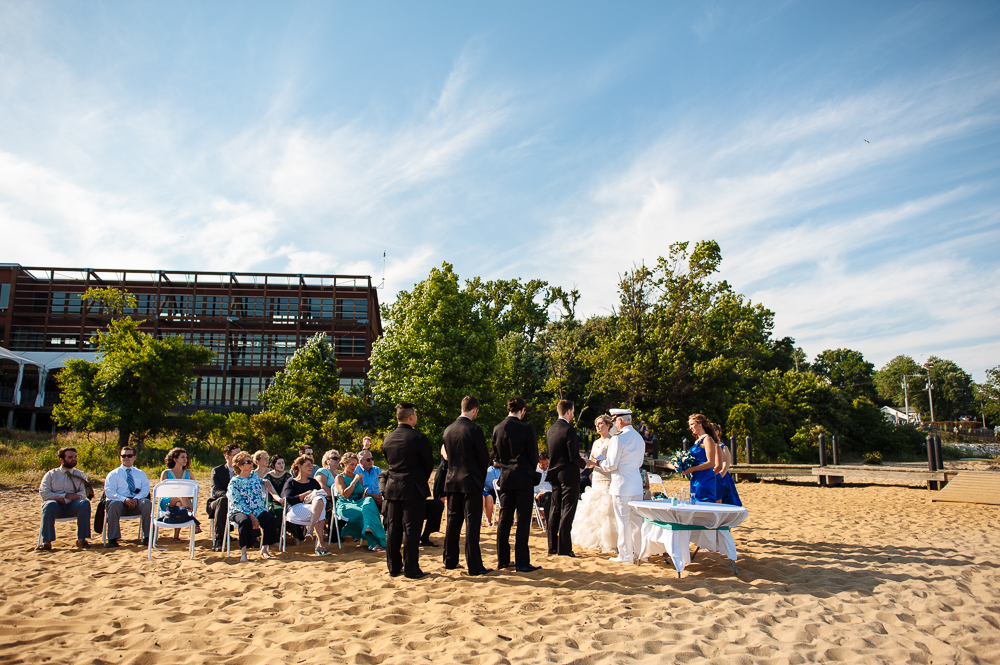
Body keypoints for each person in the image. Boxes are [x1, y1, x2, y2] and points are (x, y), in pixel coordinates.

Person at [382, 402, 434, 579]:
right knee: (412, 529)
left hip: (392, 488)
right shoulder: (418, 438)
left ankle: (394, 566)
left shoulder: (387, 438)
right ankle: (411, 568)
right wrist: (419, 479)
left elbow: (389, 462)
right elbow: (428, 464)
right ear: (411, 417)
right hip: (412, 488)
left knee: (393, 528)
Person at [441, 395, 492, 576]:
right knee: (472, 523)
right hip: (471, 481)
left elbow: (446, 456)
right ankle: (474, 565)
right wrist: (480, 478)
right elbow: (483, 458)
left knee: (453, 522)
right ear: (475, 410)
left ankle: (450, 559)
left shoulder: (448, 430)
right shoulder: (474, 430)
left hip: (452, 480)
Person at [492, 397, 541, 573]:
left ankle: (503, 559)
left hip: (505, 477)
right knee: (523, 519)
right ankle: (521, 561)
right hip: (523, 478)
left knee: (504, 519)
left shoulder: (497, 428)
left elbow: (496, 455)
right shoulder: (526, 429)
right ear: (522, 410)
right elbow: (534, 456)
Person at [599, 409, 645, 564]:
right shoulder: (639, 437)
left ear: (619, 421)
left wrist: (600, 463)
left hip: (621, 485)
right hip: (636, 484)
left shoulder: (619, 438)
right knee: (637, 521)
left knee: (623, 521)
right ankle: (640, 552)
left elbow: (611, 464)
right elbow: (639, 463)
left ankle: (625, 555)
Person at [546, 399, 587, 558]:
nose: (573, 414)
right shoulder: (570, 430)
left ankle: (552, 546)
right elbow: (574, 457)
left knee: (555, 510)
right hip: (569, 475)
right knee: (567, 510)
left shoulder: (551, 430)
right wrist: (585, 463)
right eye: (573, 411)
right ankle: (564, 548)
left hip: (555, 474)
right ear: (569, 411)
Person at [571, 415, 618, 554]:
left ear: (608, 425)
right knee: (594, 509)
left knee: (607, 509)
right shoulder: (596, 442)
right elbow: (591, 462)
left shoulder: (613, 441)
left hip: (607, 477)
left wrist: (595, 463)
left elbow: (612, 463)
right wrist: (585, 462)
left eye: (601, 423)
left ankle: (610, 541)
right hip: (596, 477)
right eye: (597, 424)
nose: (598, 426)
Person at [227, 452, 281, 562]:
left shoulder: (254, 476)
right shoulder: (234, 482)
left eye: (251, 461)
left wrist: (265, 481)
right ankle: (243, 552)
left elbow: (260, 481)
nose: (251, 463)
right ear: (240, 466)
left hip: (257, 509)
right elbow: (237, 502)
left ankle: (264, 548)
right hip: (239, 511)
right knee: (245, 521)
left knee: (270, 519)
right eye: (248, 462)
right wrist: (251, 516)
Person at [38, 447, 92, 550]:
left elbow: (84, 493)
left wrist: (67, 500)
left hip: (73, 506)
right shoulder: (51, 475)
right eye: (70, 457)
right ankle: (47, 543)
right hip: (55, 506)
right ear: (61, 460)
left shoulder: (80, 474)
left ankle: (82, 540)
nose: (74, 459)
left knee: (84, 503)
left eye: (75, 457)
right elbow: (45, 494)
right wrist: (64, 496)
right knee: (49, 505)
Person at [334, 452, 387, 551]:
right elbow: (345, 494)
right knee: (367, 512)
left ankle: (368, 527)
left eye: (355, 464)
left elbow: (362, 494)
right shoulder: (339, 477)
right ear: (345, 464)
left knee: (369, 500)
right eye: (351, 464)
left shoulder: (359, 477)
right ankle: (375, 542)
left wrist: (365, 495)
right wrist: (354, 481)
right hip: (345, 505)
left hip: (358, 503)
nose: (354, 467)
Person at [280, 455, 331, 555]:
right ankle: (319, 545)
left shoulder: (313, 482)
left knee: (320, 499)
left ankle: (311, 532)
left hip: (313, 508)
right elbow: (289, 500)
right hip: (295, 509)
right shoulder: (291, 482)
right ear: (299, 467)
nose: (311, 467)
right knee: (320, 510)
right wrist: (306, 494)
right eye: (308, 465)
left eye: (311, 465)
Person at [103, 446, 152, 548]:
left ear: (134, 457)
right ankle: (112, 539)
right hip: (119, 503)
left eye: (129, 456)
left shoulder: (140, 473)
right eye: (123, 456)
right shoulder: (113, 474)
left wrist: (136, 499)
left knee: (146, 503)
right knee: (114, 504)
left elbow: (145, 489)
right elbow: (109, 491)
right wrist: (124, 499)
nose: (126, 458)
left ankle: (148, 537)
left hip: (136, 502)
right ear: (120, 457)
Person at [159, 447, 199, 542]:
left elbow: (193, 492)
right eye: (182, 457)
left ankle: (176, 537)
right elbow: (163, 491)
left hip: (183, 502)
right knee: (181, 497)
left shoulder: (189, 473)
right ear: (175, 459)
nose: (186, 459)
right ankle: (194, 522)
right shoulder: (166, 473)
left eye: (186, 457)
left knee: (179, 503)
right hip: (168, 501)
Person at [207, 444, 240, 551]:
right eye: (236, 455)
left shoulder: (244, 471)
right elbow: (216, 489)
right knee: (223, 500)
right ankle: (219, 539)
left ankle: (252, 537)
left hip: (239, 502)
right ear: (227, 457)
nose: (240, 457)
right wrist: (231, 497)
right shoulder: (217, 471)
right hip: (218, 502)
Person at [681, 414, 720, 503]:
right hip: (695, 478)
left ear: (700, 424)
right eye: (689, 425)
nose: (690, 427)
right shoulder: (697, 440)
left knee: (704, 505)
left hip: (705, 477)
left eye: (692, 424)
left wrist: (691, 469)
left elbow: (711, 463)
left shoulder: (707, 439)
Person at [712, 423, 742, 507]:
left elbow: (726, 465)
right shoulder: (708, 446)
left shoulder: (723, 447)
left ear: (717, 432)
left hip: (722, 477)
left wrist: (719, 477)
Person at [265, 454, 291, 523]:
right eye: (279, 463)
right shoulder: (268, 477)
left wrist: (284, 500)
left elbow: (287, 491)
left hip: (285, 500)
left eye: (283, 463)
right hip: (272, 501)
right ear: (273, 465)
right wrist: (280, 500)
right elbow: (273, 493)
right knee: (278, 511)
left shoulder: (288, 476)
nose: (282, 465)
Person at [482, 458, 501, 526]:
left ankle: (489, 521)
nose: (498, 462)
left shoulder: (504, 469)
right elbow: (490, 484)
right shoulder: (490, 470)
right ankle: (487, 521)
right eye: (496, 461)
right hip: (492, 490)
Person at [533, 452, 552, 521]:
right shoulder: (534, 472)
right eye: (542, 465)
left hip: (552, 492)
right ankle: (550, 522)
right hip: (540, 496)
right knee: (548, 497)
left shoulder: (550, 469)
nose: (545, 466)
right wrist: (535, 495)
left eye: (547, 464)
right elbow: (529, 487)